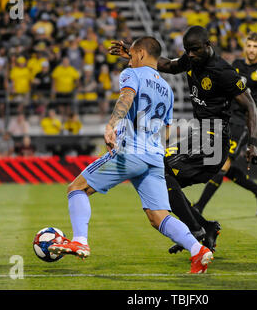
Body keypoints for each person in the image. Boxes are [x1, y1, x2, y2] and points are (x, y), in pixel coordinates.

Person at [49, 37, 214, 274]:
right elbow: (165, 130)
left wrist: (111, 125)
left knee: (77, 188)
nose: (130, 59)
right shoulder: (167, 90)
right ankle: (198, 250)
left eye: (133, 55)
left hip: (131, 152)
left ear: (140, 54)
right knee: (158, 216)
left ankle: (80, 241)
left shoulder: (131, 74)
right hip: (155, 156)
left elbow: (126, 96)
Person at [108, 26, 257, 254]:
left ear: (208, 45)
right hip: (200, 137)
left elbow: (251, 106)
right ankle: (204, 228)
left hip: (214, 140)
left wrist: (253, 143)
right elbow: (168, 65)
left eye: (195, 50)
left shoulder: (223, 71)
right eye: (187, 51)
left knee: (157, 174)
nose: (190, 55)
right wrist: (133, 52)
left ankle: (197, 230)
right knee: (158, 178)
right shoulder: (192, 60)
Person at [193, 32, 257, 217]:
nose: (252, 50)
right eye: (249, 45)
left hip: (244, 122)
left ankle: (199, 207)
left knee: (222, 163)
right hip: (226, 118)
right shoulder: (235, 65)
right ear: (245, 47)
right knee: (218, 162)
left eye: (255, 46)